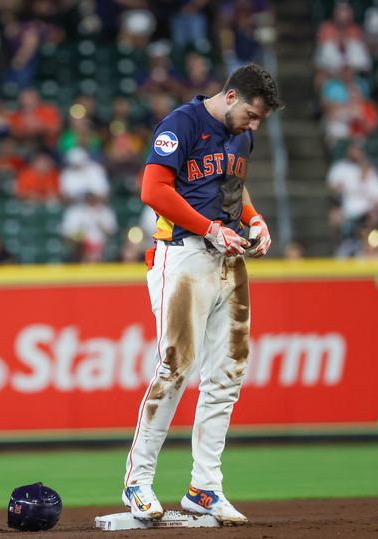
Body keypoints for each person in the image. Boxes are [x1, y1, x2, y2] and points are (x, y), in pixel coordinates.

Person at [122, 63, 281, 525]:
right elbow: (153, 189)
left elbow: (232, 187)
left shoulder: (240, 135)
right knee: (175, 368)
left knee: (227, 376)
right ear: (231, 96)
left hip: (228, 255)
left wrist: (254, 218)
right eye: (251, 114)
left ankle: (205, 488)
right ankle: (138, 480)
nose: (254, 125)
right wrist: (210, 227)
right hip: (184, 253)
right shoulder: (182, 123)